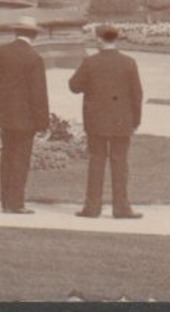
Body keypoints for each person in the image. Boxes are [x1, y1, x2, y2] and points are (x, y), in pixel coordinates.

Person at [69, 24, 145, 219]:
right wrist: (135, 120)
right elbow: (137, 94)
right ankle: (121, 207)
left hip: (96, 120)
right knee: (120, 164)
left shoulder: (90, 62)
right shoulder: (128, 62)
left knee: (96, 162)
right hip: (122, 121)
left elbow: (74, 86)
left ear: (100, 39)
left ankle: (92, 207)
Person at [0, 15, 50, 215]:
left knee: (7, 157)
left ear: (16, 32)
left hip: (5, 113)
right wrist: (42, 121)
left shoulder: (1, 51)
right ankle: (16, 203)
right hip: (26, 117)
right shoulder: (34, 58)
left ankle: (6, 202)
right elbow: (39, 94)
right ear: (34, 34)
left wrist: (5, 87)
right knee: (21, 159)